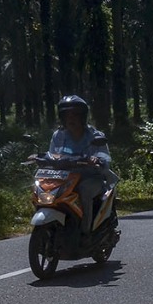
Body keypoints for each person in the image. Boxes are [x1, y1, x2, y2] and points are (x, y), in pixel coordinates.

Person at [48, 94, 116, 241]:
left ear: (82, 116)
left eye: (75, 114)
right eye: (67, 115)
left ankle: (86, 232)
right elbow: (52, 154)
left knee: (84, 190)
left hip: (91, 177)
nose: (70, 118)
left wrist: (97, 159)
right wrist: (40, 157)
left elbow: (105, 157)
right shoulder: (58, 135)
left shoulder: (95, 135)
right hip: (65, 178)